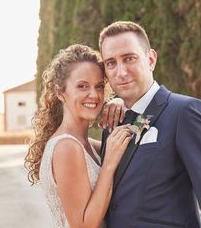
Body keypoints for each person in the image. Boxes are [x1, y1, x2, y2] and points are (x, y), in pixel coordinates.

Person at [98, 21, 201, 228]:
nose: (121, 72)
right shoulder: (114, 121)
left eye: (129, 58)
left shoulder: (185, 113)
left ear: (151, 59)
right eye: (111, 63)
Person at [25, 44, 133, 228]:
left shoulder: (86, 144)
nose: (94, 95)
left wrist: (121, 102)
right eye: (82, 86)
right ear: (60, 93)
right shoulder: (67, 147)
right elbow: (84, 225)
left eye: (99, 86)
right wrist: (108, 164)